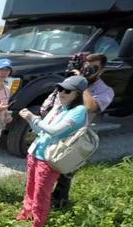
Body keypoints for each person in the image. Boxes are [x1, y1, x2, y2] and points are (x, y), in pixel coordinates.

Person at [17, 75, 88, 227]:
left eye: (67, 91)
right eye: (60, 88)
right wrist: (30, 121)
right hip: (36, 152)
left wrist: (33, 118)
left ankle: (37, 225)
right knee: (30, 186)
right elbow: (40, 130)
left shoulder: (79, 111)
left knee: (41, 192)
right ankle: (26, 212)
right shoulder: (59, 108)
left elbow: (55, 131)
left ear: (77, 94)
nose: (62, 92)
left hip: (51, 158)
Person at [44, 53, 114, 208]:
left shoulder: (105, 91)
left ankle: (59, 203)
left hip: (74, 139)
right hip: (54, 131)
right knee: (44, 170)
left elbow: (91, 107)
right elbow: (56, 99)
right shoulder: (71, 80)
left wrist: (81, 85)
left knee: (64, 173)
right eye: (86, 66)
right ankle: (40, 202)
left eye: (93, 68)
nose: (88, 70)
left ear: (101, 71)